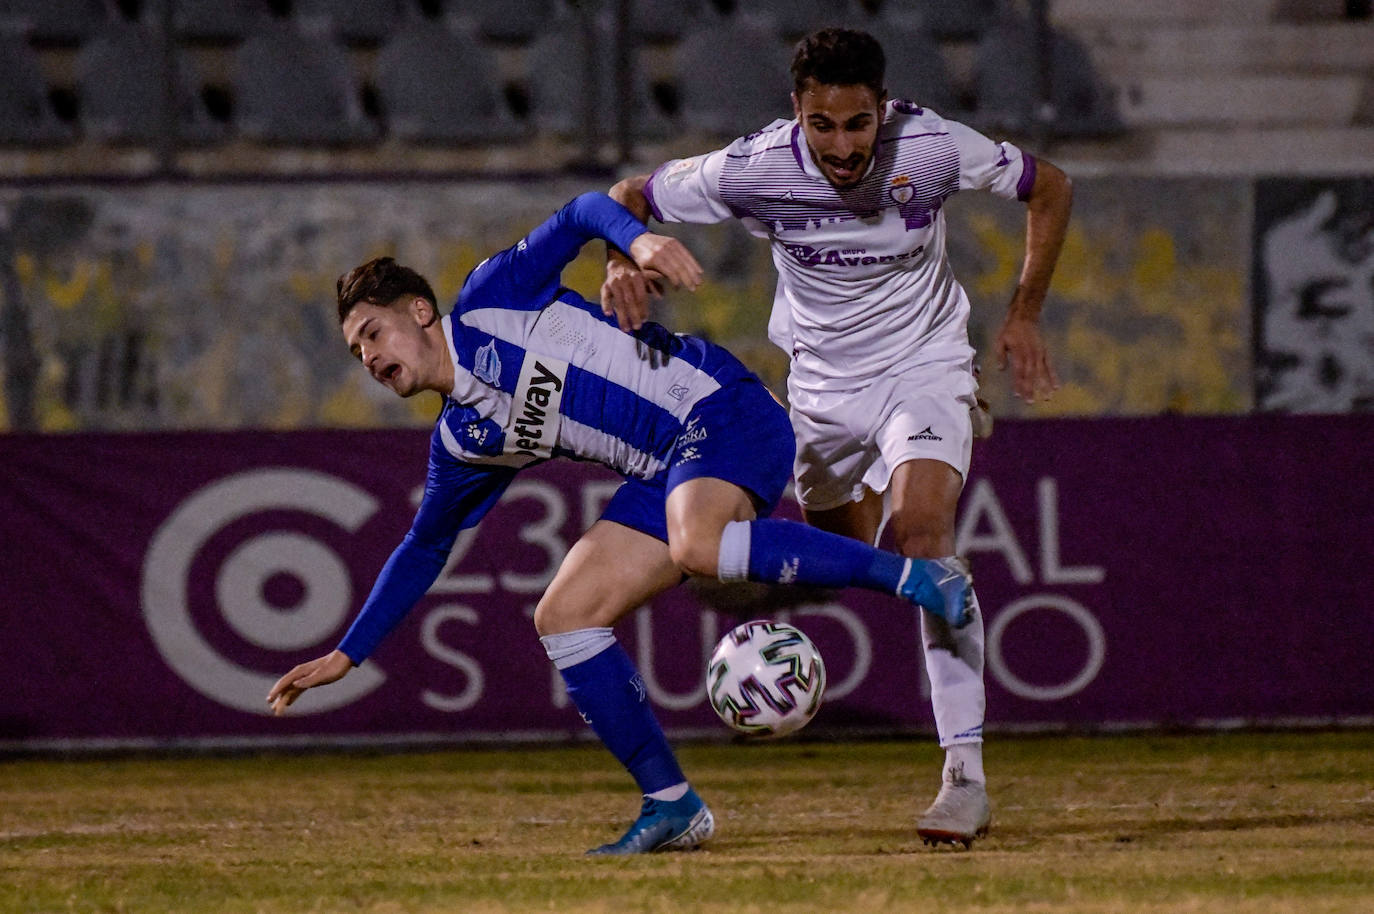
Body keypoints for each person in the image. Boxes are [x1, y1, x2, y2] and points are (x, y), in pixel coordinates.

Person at [266, 191, 973, 855]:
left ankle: (918, 575)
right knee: (564, 616)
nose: (370, 358)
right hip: (661, 477)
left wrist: (638, 241)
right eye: (358, 352)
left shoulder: (490, 300)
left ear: (420, 311)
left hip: (717, 408)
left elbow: (581, 212)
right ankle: (672, 805)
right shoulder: (463, 441)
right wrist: (349, 653)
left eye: (372, 333)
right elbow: (425, 545)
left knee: (698, 543)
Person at [603, 27, 1073, 848]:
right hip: (820, 394)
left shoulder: (929, 148)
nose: (843, 146)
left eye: (858, 125)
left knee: (923, 538)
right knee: (855, 555)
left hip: (923, 363)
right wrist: (621, 255)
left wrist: (1025, 312)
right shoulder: (754, 167)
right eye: (824, 127)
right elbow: (631, 192)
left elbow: (1053, 186)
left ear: (882, 111)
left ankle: (964, 779)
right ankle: (923, 460)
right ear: (799, 113)